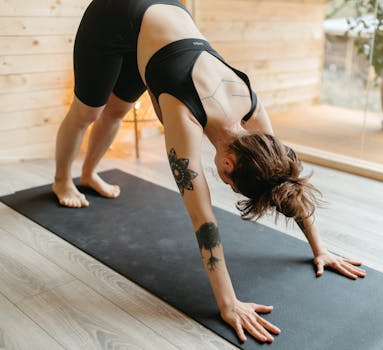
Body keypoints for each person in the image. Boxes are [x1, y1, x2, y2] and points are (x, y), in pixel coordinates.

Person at [53, 0, 366, 343]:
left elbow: (286, 179)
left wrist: (319, 248)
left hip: (154, 24)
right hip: (114, 13)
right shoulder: (182, 112)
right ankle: (63, 180)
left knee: (117, 110)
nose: (223, 181)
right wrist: (228, 302)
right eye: (230, 184)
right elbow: (203, 219)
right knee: (89, 112)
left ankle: (88, 175)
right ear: (229, 166)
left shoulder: (253, 113)